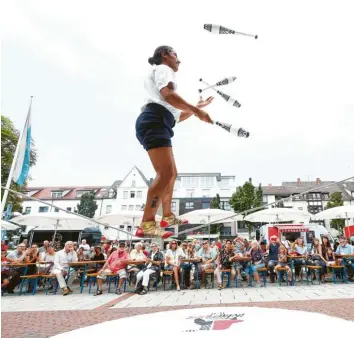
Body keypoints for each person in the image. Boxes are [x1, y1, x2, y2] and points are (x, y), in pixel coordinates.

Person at [135, 45, 213, 239]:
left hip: (160, 121)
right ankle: (147, 222)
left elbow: (178, 115)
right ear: (165, 55)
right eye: (176, 55)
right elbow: (168, 95)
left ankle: (167, 216)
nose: (179, 60)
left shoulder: (162, 80)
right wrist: (197, 111)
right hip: (154, 121)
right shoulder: (164, 69)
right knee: (166, 172)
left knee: (172, 173)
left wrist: (196, 107)